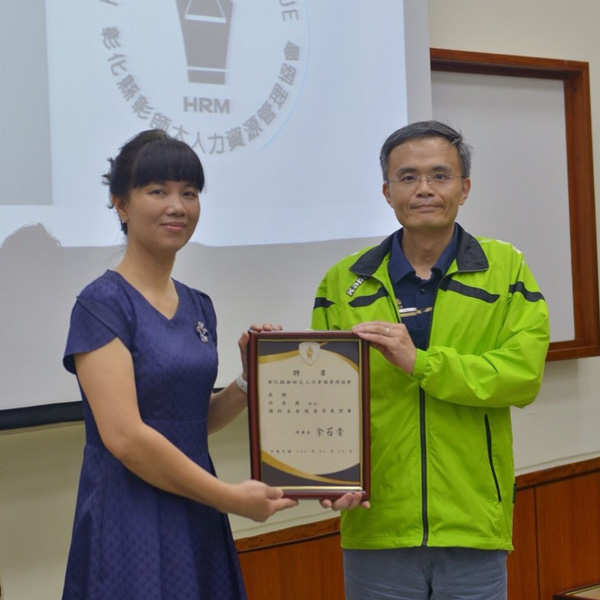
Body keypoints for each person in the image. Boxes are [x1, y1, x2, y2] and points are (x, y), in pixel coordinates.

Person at [312, 120, 550, 600]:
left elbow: (521, 377)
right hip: (376, 523)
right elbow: (325, 399)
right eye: (408, 177)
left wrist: (421, 363)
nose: (424, 189)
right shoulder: (343, 282)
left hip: (472, 520)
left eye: (440, 176)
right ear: (387, 192)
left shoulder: (506, 270)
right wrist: (326, 475)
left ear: (464, 188)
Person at [61, 129, 297, 600]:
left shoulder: (198, 305)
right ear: (121, 205)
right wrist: (231, 497)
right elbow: (126, 437)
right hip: (130, 514)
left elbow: (189, 420)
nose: (178, 206)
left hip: (197, 508)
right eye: (158, 191)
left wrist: (247, 380)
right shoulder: (102, 304)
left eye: (189, 193)